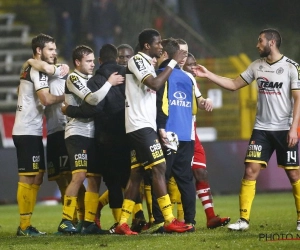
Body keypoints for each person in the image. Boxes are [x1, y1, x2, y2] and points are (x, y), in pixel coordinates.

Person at [192, 28, 300, 231]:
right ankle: (243, 220)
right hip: (261, 129)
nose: (257, 44)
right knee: (250, 170)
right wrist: (207, 74)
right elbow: (233, 84)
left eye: (260, 41)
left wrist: (294, 128)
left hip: (285, 129)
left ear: (272, 43)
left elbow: (298, 99)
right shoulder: (256, 66)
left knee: (294, 174)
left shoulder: (291, 67)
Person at [114, 28, 192, 235]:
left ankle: (122, 223)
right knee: (159, 168)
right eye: (157, 44)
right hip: (139, 125)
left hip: (144, 125)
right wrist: (173, 62)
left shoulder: (148, 63)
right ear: (147, 46)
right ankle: (168, 219)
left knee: (137, 174)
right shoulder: (138, 60)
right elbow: (155, 84)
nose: (160, 47)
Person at [62, 43, 130, 234]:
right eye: (88, 61)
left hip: (91, 134)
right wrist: (108, 83)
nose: (92, 65)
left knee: (94, 180)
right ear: (77, 62)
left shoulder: (91, 79)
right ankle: (65, 220)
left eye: (93, 61)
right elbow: (93, 101)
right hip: (77, 133)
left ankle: (88, 223)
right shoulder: (74, 77)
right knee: (79, 176)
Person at [12, 33, 65, 236]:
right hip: (26, 130)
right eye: (50, 49)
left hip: (31, 130)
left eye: (54, 49)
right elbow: (45, 98)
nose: (54, 52)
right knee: (28, 176)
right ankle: (24, 226)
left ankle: (26, 224)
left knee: (37, 177)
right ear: (39, 51)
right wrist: (67, 95)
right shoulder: (37, 69)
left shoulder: (32, 68)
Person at [183, 52, 230, 228]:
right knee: (171, 178)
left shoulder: (192, 80)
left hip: (191, 132)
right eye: (190, 65)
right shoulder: (174, 79)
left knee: (201, 172)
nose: (193, 68)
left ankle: (210, 217)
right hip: (176, 133)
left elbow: (199, 100)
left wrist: (206, 101)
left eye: (195, 64)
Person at [86, 0, 122, 67]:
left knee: (110, 52)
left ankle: (109, 68)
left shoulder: (112, 5)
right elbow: (90, 19)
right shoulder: (94, 5)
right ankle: (99, 68)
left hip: (109, 33)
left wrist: (117, 26)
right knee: (99, 51)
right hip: (98, 32)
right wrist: (89, 32)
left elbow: (116, 16)